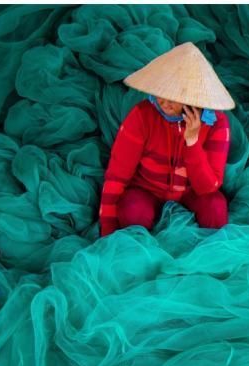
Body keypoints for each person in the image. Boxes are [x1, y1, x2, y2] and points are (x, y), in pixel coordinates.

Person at [98, 42, 235, 237]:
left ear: (193, 98)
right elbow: (116, 176)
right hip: (146, 189)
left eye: (173, 96)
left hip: (192, 191)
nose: (163, 102)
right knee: (133, 211)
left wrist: (192, 142)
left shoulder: (217, 123)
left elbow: (208, 187)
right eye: (161, 93)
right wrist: (107, 229)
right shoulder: (141, 115)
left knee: (216, 208)